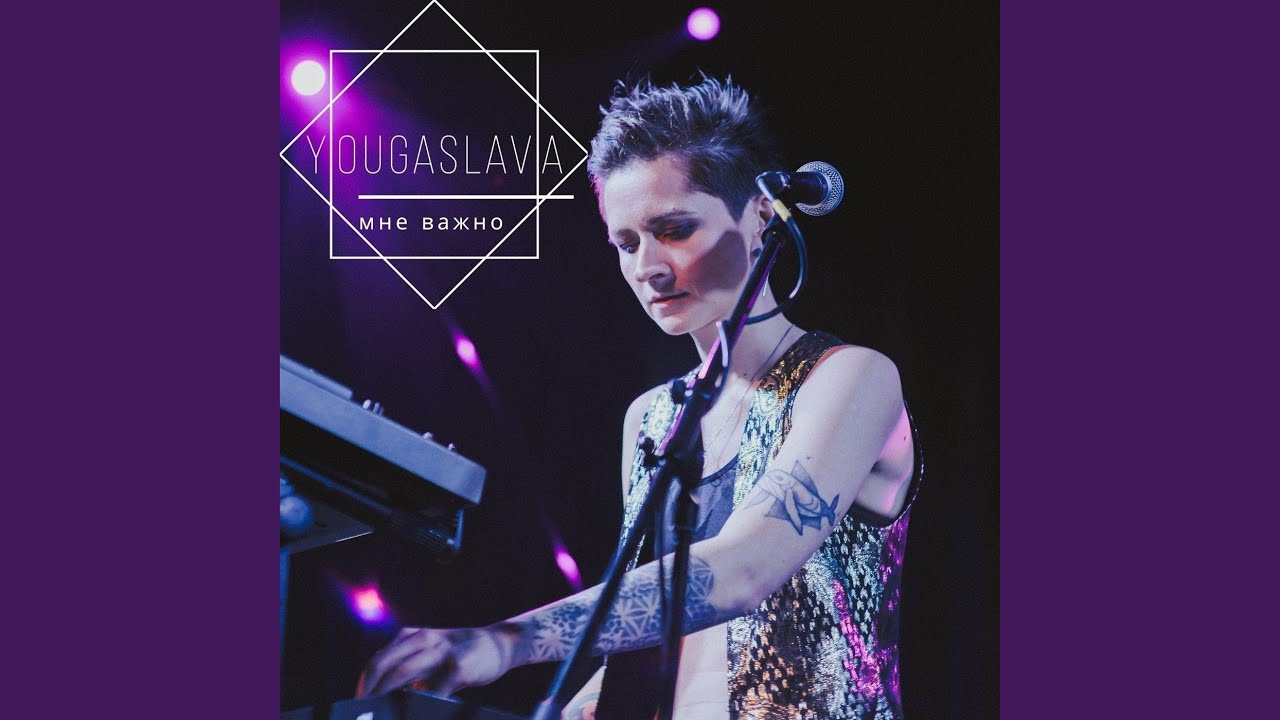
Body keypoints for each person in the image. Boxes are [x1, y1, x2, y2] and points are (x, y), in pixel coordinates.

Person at [357, 76, 921, 720]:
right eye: (627, 244)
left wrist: (507, 642)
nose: (647, 267)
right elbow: (647, 651)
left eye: (673, 229)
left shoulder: (850, 378)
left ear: (761, 217)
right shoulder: (654, 418)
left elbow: (744, 568)